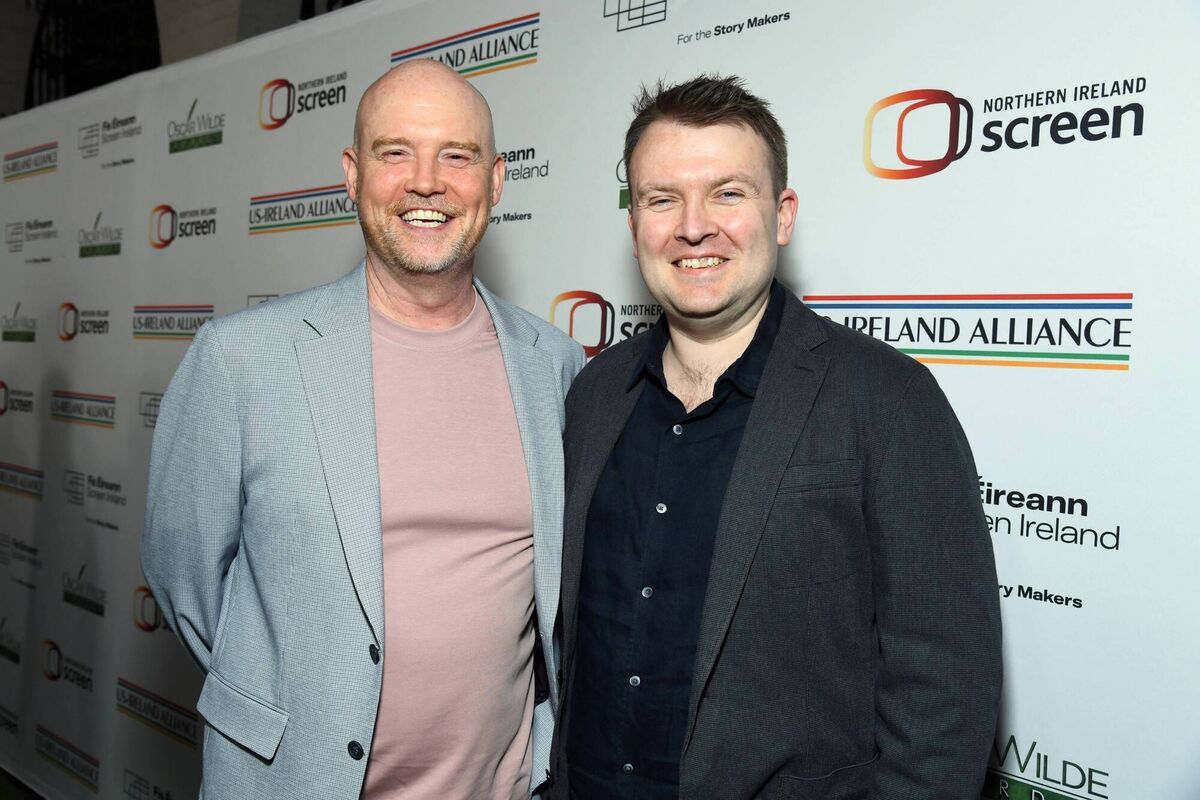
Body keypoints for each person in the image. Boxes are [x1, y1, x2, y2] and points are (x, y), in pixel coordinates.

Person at [549, 75, 1002, 799]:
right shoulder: (594, 396)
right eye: (662, 198)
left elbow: (944, 691)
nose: (694, 227)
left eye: (728, 193)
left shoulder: (886, 399)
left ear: (782, 214)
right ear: (634, 222)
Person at [142, 60, 584, 799]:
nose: (425, 182)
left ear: (497, 180)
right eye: (395, 152)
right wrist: (287, 697)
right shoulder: (243, 359)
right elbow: (183, 574)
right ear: (352, 174)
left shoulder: (556, 365)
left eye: (457, 155)